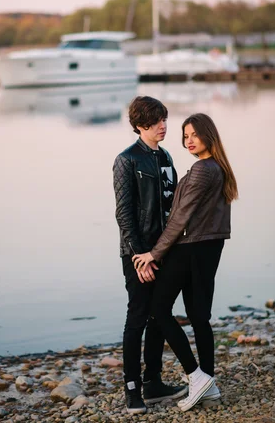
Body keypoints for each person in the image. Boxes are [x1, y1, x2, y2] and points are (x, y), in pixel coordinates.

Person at [132, 113, 238, 413]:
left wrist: (155, 253)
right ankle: (209, 385)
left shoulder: (203, 170)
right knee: (199, 316)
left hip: (190, 248)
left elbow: (181, 217)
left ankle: (196, 376)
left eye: (193, 134)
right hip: (209, 248)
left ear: (208, 135)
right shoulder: (218, 167)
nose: (188, 140)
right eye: (185, 136)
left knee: (159, 310)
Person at [113, 96, 187, 415]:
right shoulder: (126, 160)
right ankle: (132, 389)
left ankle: (153, 382)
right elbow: (124, 213)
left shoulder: (167, 156)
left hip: (164, 251)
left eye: (165, 120)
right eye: (157, 121)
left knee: (161, 312)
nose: (163, 126)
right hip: (137, 254)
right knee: (138, 315)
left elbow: (172, 208)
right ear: (141, 123)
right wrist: (139, 255)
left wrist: (167, 250)